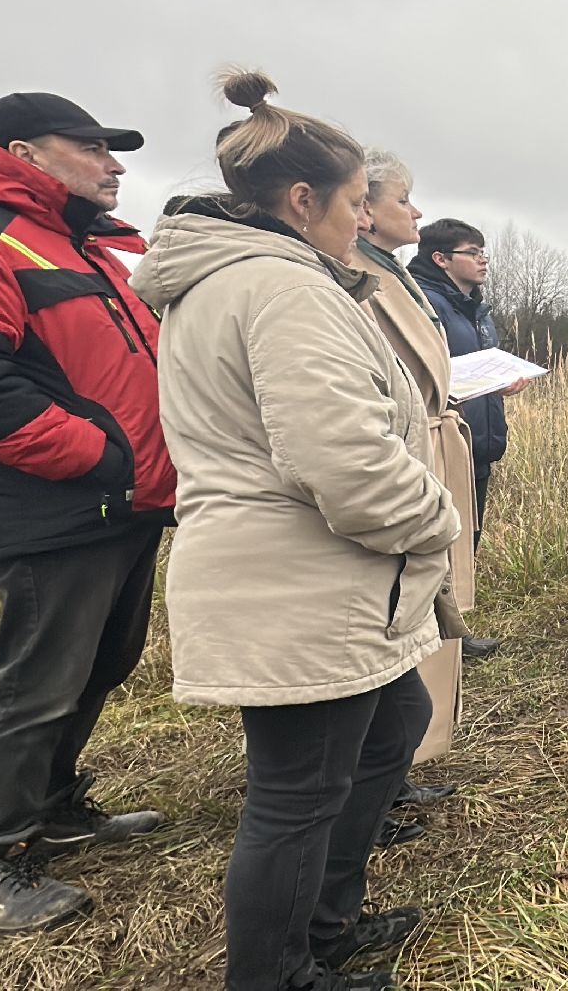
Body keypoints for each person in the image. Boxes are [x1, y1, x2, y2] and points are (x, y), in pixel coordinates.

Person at [131, 71, 460, 991]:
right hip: (296, 581)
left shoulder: (262, 279)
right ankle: (278, 972)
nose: (367, 220)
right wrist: (440, 519)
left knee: (394, 723)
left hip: (318, 579)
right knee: (295, 797)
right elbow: (345, 463)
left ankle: (327, 921)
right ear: (304, 199)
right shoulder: (281, 288)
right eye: (359, 202)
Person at [0, 93, 174, 933]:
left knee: (103, 663)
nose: (113, 164)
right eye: (91, 148)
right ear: (26, 152)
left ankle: (50, 806)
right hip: (53, 504)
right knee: (38, 685)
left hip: (126, 500)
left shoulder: (95, 245)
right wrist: (100, 457)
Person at [346, 150, 472, 837]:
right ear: (362, 208)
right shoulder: (347, 279)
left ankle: (391, 776)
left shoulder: (392, 274)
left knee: (419, 624)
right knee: (393, 625)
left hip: (431, 445)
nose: (416, 212)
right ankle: (375, 786)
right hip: (398, 464)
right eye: (405, 199)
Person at [408, 217, 516, 660]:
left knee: (465, 537)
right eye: (473, 253)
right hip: (441, 443)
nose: (483, 260)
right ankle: (431, 637)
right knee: (437, 542)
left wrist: (503, 379)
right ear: (441, 259)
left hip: (479, 440)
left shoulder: (477, 308)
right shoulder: (423, 304)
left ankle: (452, 632)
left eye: (483, 252)